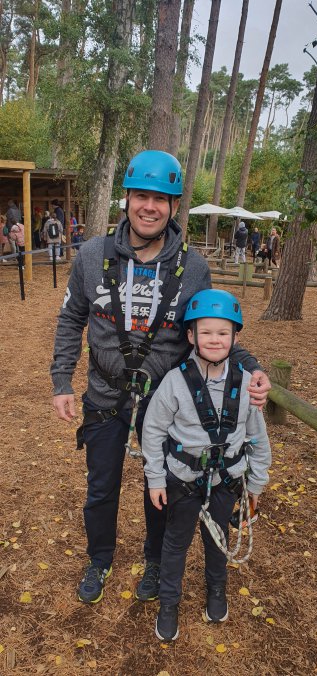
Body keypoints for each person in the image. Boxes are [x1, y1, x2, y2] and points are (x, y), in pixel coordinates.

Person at [51, 150, 271, 606]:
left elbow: (213, 330)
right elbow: (71, 318)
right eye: (141, 196)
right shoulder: (93, 256)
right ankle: (100, 559)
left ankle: (154, 562)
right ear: (126, 199)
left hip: (167, 400)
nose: (149, 207)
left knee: (166, 486)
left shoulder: (192, 269)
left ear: (174, 207)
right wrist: (60, 381)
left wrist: (253, 367)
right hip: (105, 394)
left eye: (161, 199)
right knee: (101, 485)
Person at [142, 289, 271, 642]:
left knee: (218, 541)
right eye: (207, 332)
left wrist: (256, 486)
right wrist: (155, 478)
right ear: (190, 336)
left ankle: (217, 590)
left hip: (226, 481)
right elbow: (152, 431)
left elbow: (257, 438)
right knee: (175, 543)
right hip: (183, 481)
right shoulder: (175, 382)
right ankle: (169, 603)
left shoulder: (245, 385)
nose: (215, 340)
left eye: (223, 333)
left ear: (235, 337)